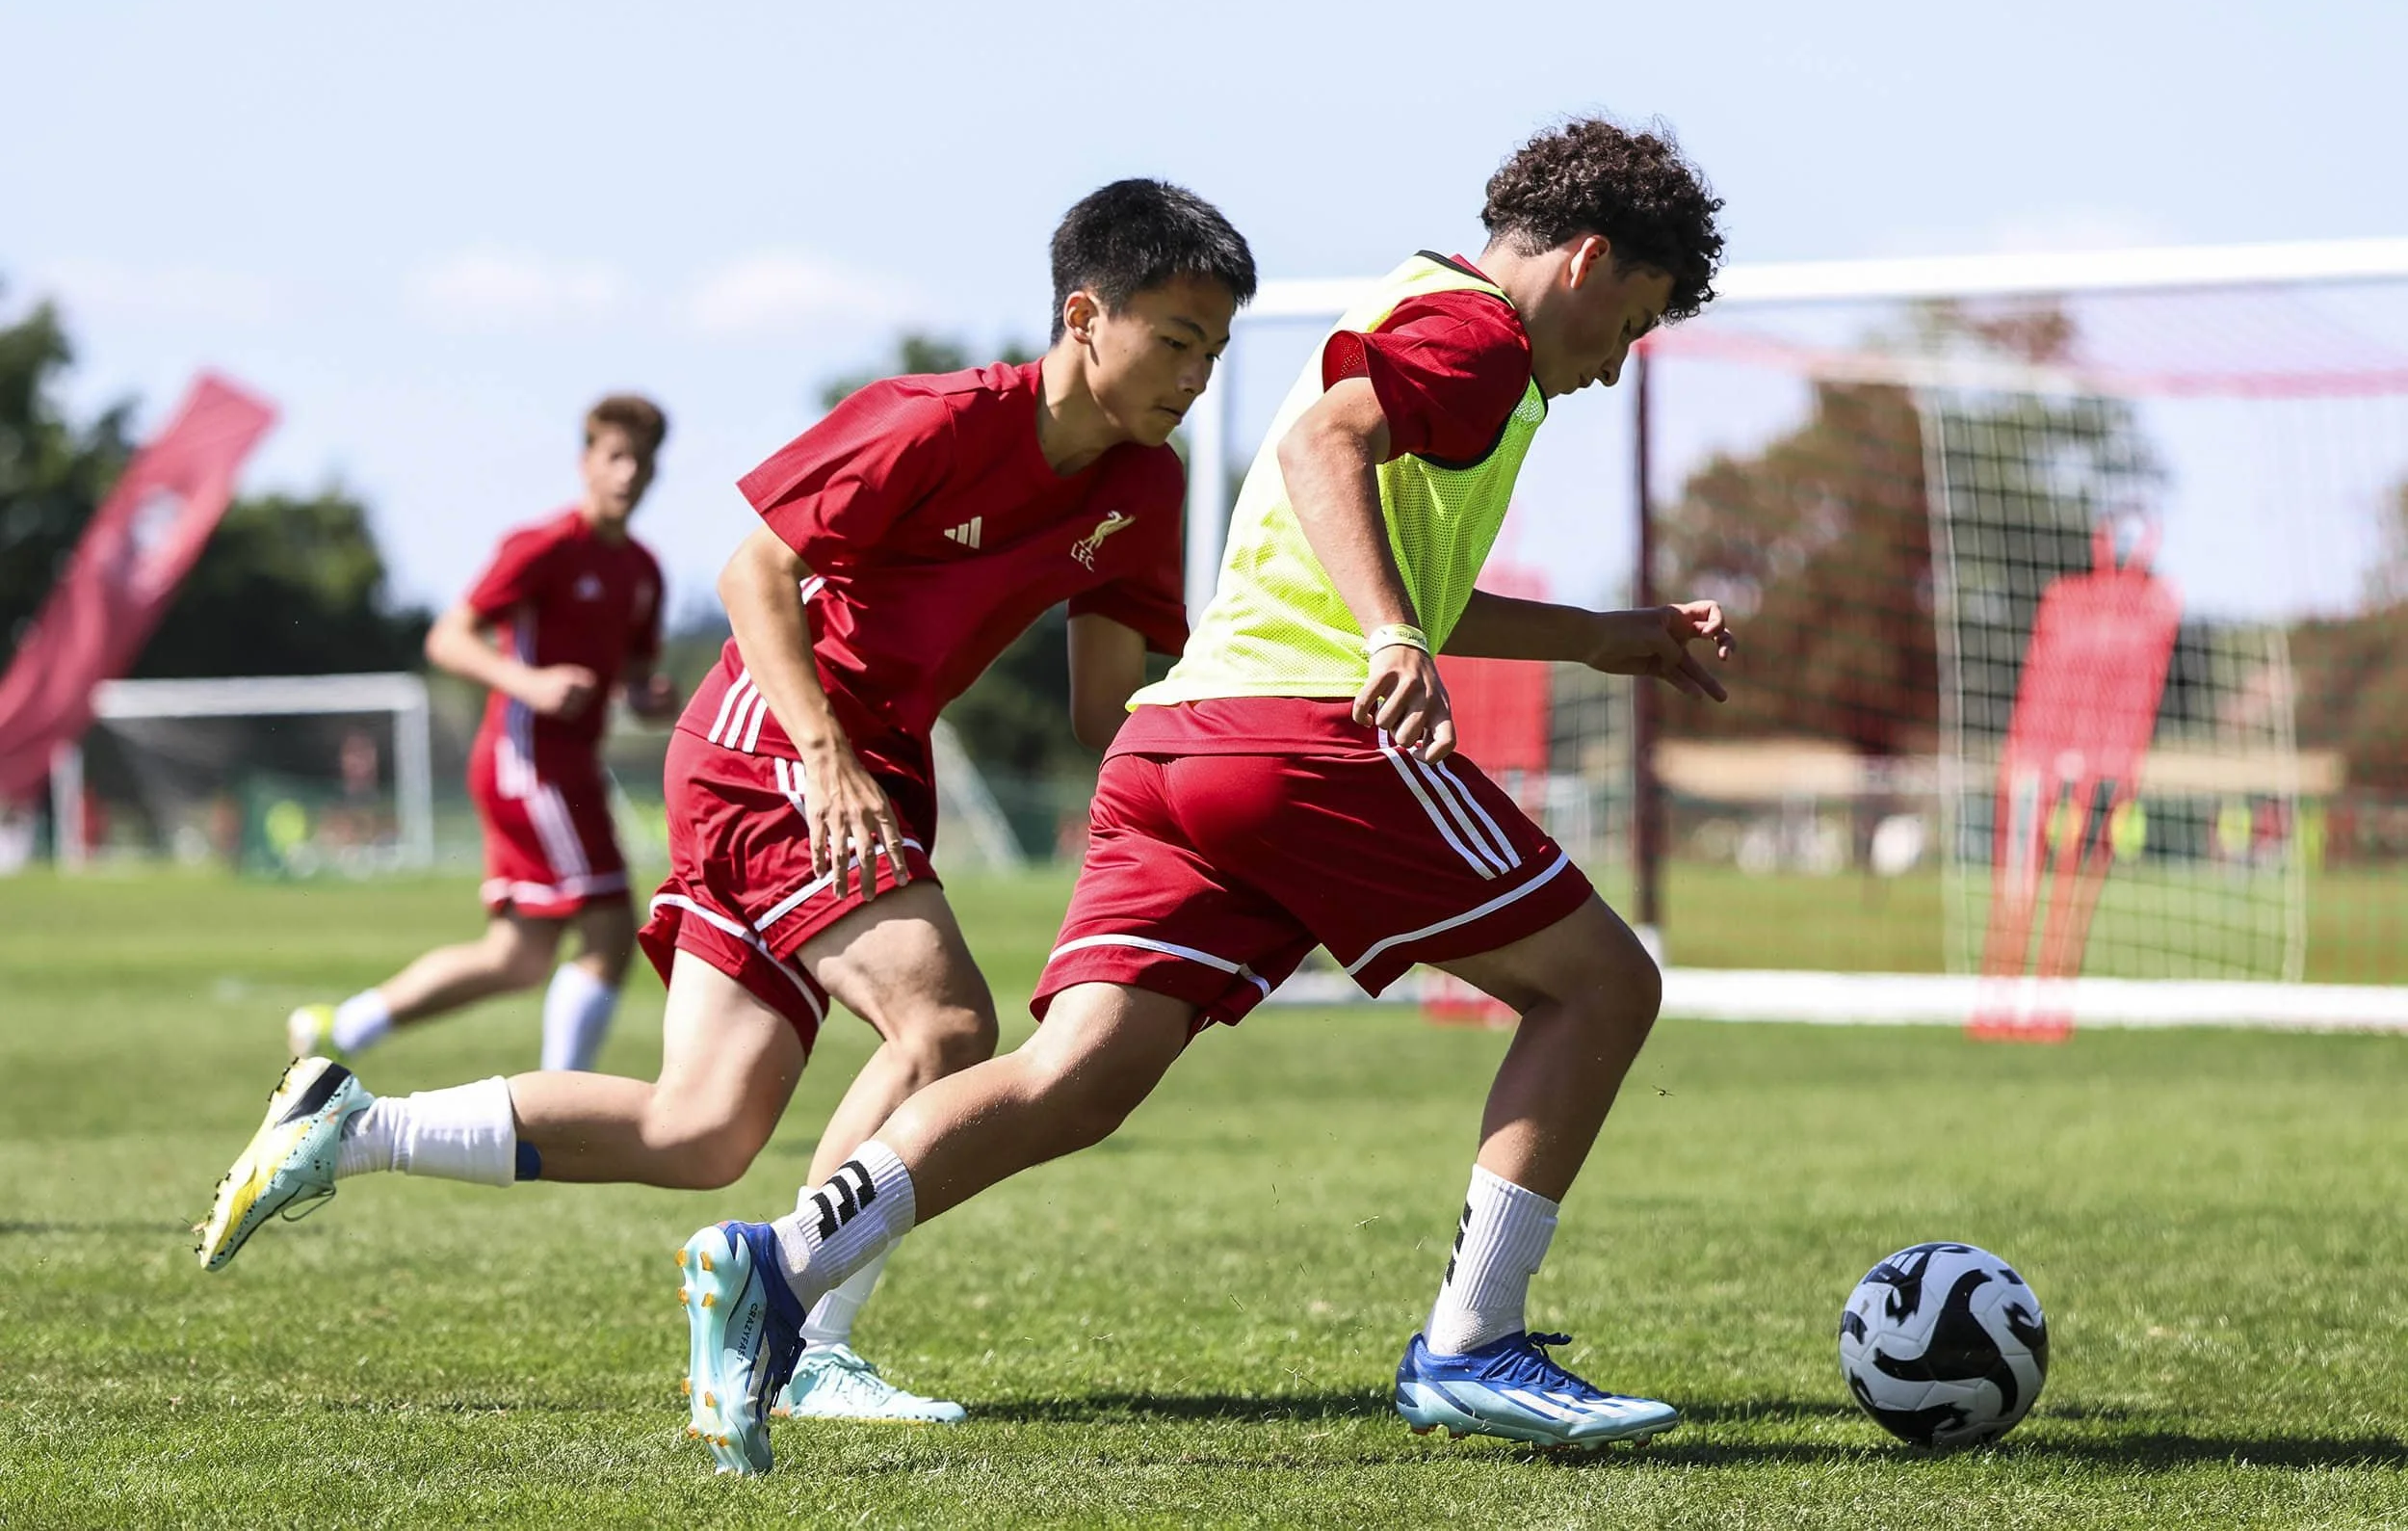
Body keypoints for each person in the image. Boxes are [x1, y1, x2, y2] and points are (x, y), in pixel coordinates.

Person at [677, 117, 1735, 1474]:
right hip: (1302, 741)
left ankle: (776, 1261)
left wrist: (1598, 631)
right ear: (1587, 262)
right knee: (1603, 984)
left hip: (1173, 748)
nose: (1617, 361)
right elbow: (1321, 455)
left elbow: (1394, 552)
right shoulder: (1482, 339)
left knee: (1073, 1078)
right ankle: (1473, 1343)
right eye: (1634, 320)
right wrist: (1391, 640)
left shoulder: (1415, 305)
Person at [196, 179, 1257, 1430]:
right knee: (946, 1025)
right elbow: (752, 566)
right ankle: (796, 1337)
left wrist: (1269, 705)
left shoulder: (1148, 485)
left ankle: (349, 1122)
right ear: (1085, 315)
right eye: (1176, 340)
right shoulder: (932, 419)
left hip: (861, 765)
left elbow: (1105, 710)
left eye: (1214, 350)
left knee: (699, 1127)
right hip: (779, 744)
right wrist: (821, 750)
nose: (1195, 374)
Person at [286, 395, 676, 1075]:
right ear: (585, 462)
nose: (627, 474)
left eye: (641, 462)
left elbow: (636, 677)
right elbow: (448, 637)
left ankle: (343, 1026)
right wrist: (528, 683)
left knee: (517, 959)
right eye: (615, 457)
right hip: (527, 760)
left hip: (572, 765)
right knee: (613, 929)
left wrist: (648, 696)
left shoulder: (644, 573)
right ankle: (557, 1101)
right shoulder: (545, 547)